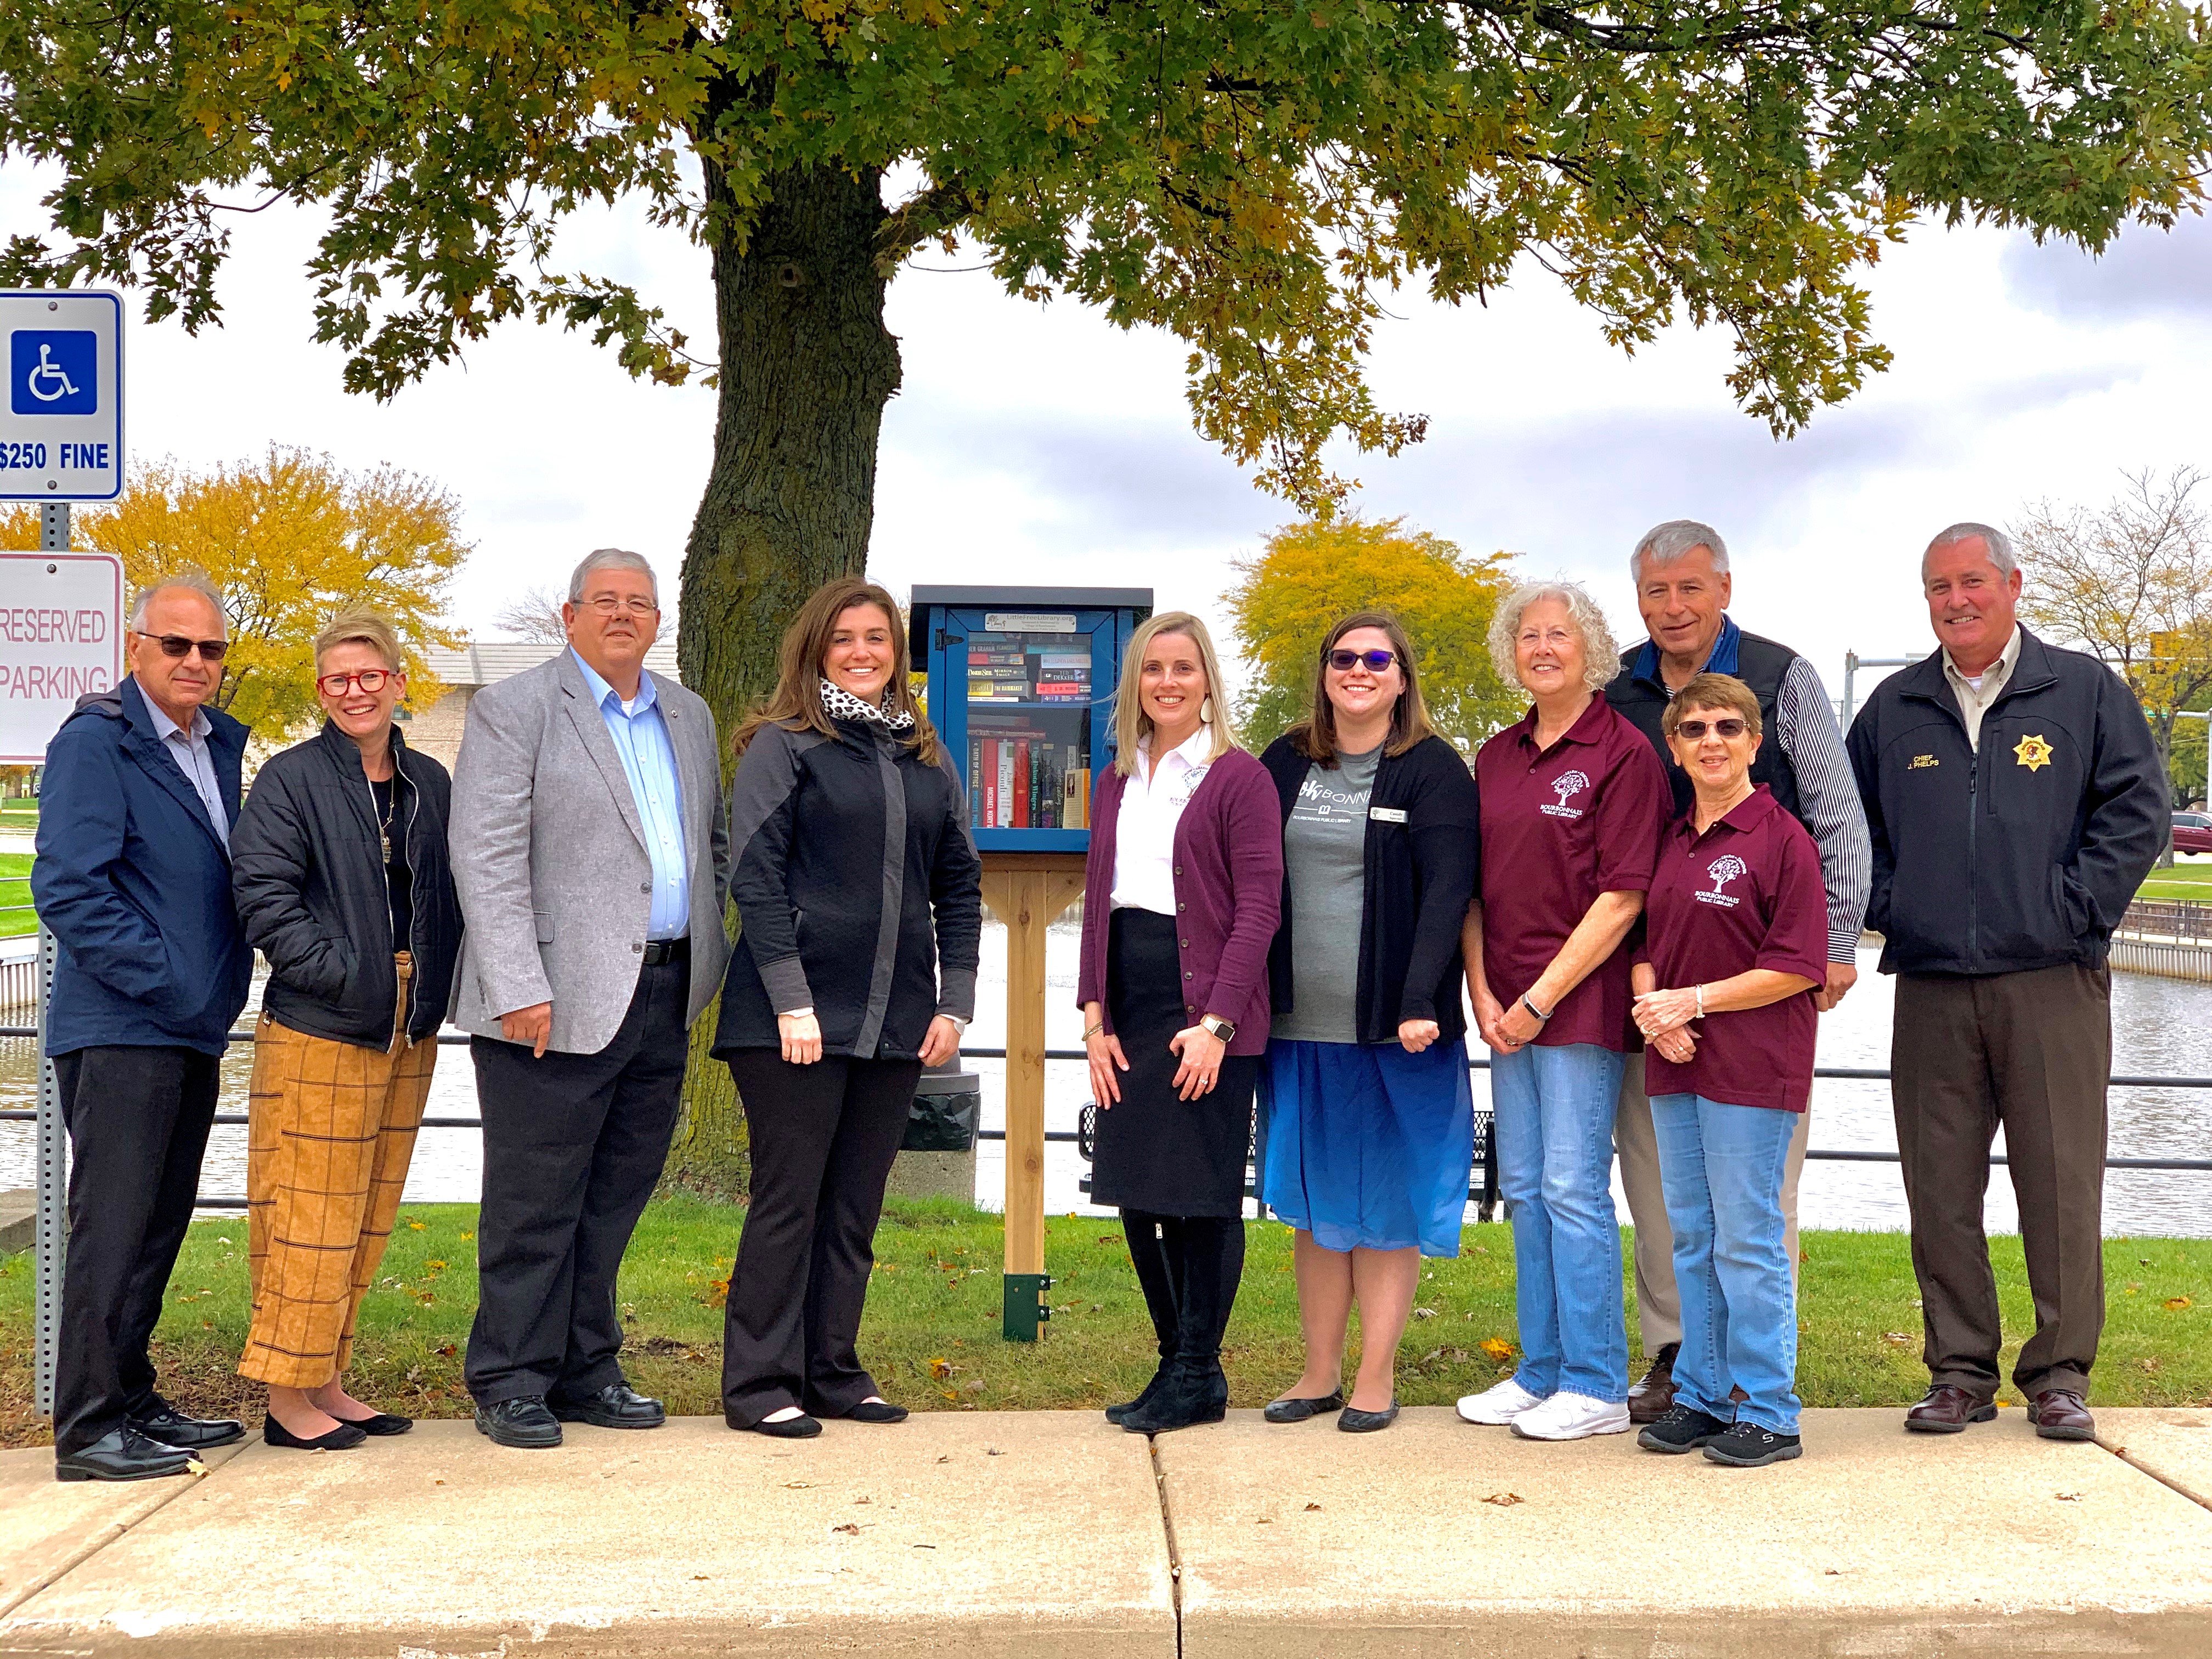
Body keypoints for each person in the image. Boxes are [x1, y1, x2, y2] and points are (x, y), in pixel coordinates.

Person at [1847, 523, 2164, 1442]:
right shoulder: (1895, 707)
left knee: (2061, 1183)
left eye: (1973, 581)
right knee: (1938, 1186)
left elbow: (2138, 811)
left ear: (2014, 585)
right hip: (1935, 984)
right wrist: (1896, 909)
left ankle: (2061, 1373)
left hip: (2053, 981)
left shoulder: (2086, 692)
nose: (1957, 600)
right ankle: (1958, 1371)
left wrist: (2075, 909)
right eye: (1940, 587)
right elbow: (1849, 826)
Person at [450, 548, 731, 1449]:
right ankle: (510, 1377)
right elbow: (485, 858)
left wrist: (704, 960)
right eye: (604, 601)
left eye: (639, 604)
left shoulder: (688, 716)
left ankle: (584, 1365)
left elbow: (711, 844)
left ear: (658, 623)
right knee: (535, 1202)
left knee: (615, 1195)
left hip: (662, 992)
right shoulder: (514, 709)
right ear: (569, 616)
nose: (622, 615)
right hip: (548, 1000)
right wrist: (516, 985)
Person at [1604, 519, 1871, 1422]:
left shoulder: (1782, 675)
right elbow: (1625, 874)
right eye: (1655, 592)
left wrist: (1834, 948)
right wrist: (1651, 1002)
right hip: (1661, 1004)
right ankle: (1688, 1369)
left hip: (1760, 992)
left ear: (1724, 587)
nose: (1673, 608)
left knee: (1754, 1214)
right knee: (1675, 1207)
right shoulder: (1624, 698)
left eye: (1689, 588)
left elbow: (1839, 819)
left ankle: (1761, 1393)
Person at [715, 579, 983, 1437]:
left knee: (855, 1207)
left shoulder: (925, 758)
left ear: (896, 651)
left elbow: (960, 888)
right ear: (815, 651)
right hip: (791, 1020)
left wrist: (956, 1003)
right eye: (844, 640)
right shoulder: (785, 746)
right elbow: (753, 879)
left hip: (896, 1021)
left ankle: (833, 1371)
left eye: (877, 638)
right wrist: (793, 1002)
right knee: (789, 1202)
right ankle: (759, 1385)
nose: (862, 653)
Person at [32, 573, 253, 1481]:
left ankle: (130, 1396)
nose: (194, 662)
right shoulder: (97, 744)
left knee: (159, 1225)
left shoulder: (216, 746)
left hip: (190, 1026)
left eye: (210, 650)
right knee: (113, 1226)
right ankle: (88, 1427)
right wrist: (169, 981)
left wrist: (206, 994)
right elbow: (70, 889)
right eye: (176, 645)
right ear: (137, 649)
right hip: (124, 1025)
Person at [229, 611, 464, 1451]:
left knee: (366, 1213)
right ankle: (288, 1400)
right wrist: (344, 971)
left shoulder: (430, 783)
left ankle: (329, 1378)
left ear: (399, 683)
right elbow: (263, 899)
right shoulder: (291, 781)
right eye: (338, 679)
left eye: (371, 676)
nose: (356, 691)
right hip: (325, 1026)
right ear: (321, 691)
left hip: (409, 1029)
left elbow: (452, 899)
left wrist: (426, 989)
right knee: (308, 1213)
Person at [1255, 612, 1480, 1434]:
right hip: (1294, 1028)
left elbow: (1447, 896)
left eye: (1376, 659)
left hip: (1394, 1032)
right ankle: (1318, 1372)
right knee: (1314, 1209)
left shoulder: (1433, 771)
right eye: (1344, 658)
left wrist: (1420, 1000)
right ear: (1323, 673)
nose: (1358, 670)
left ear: (1401, 676)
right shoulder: (1284, 761)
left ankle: (1376, 1379)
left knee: (1384, 1207)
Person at [1456, 581, 1668, 1442]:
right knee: (1526, 1190)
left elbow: (1623, 898)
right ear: (1514, 652)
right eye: (1528, 636)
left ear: (1592, 649)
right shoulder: (1497, 755)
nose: (1544, 648)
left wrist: (1542, 999)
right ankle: (1540, 1371)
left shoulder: (1624, 753)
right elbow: (1473, 889)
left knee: (1576, 1188)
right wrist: (1485, 991)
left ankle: (1596, 1383)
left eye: (1560, 635)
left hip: (1578, 1008)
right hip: (1505, 1006)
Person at [1080, 612, 1283, 1435]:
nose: (1168, 682)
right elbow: (1102, 902)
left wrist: (1219, 1024)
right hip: (1129, 1002)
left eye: (1184, 668)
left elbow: (1260, 908)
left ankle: (1199, 1369)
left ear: (1208, 682)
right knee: (1133, 1190)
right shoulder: (1116, 778)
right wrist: (1095, 1014)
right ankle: (1177, 1365)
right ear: (1136, 682)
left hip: (1206, 1004)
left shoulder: (1238, 778)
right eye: (1154, 668)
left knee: (1200, 1197)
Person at [1629, 674, 1829, 1468]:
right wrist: (1656, 1015)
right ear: (1674, 750)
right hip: (1677, 1067)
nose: (1711, 740)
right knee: (1694, 1238)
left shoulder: (1784, 840)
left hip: (1753, 1069)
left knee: (1748, 1241)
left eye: (1728, 727)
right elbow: (1646, 946)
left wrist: (1692, 1004)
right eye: (1694, 730)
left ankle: (1771, 1412)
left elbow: (1797, 967)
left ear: (1754, 742)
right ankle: (1704, 1398)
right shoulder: (1673, 841)